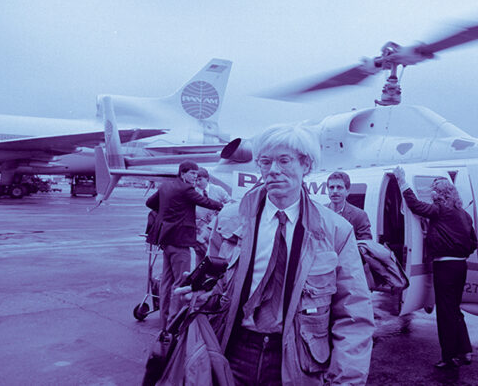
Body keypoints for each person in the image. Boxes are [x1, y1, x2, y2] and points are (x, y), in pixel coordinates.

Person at [207, 124, 374, 385]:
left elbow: (353, 315)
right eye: (265, 162)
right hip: (233, 351)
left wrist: (346, 381)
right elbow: (210, 287)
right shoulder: (230, 220)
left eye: (284, 160)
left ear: (306, 165)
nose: (273, 170)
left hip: (299, 361)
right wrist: (196, 296)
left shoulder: (336, 231)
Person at [393, 166, 477, 370]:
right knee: (454, 309)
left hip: (445, 267)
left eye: (435, 190)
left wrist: (402, 181)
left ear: (440, 195)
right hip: (460, 266)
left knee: (446, 313)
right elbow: (473, 243)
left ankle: (448, 356)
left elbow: (415, 206)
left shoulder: (440, 210)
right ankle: (465, 350)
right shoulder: (464, 215)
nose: (432, 192)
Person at [145, 160, 225, 333]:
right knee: (181, 282)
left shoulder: (166, 186)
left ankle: (164, 321)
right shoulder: (186, 189)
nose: (195, 177)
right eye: (192, 174)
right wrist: (224, 206)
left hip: (166, 240)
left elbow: (150, 203)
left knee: (166, 282)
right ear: (182, 173)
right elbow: (205, 202)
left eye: (197, 174)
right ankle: (175, 324)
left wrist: (169, 212)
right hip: (180, 241)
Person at [194, 168, 230, 260]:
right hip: (200, 230)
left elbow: (229, 204)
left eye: (200, 179)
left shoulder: (218, 190)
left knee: (215, 255)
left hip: (216, 229)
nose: (198, 183)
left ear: (207, 179)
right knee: (200, 256)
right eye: (196, 180)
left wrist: (219, 213)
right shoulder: (193, 192)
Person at [325, 171, 372, 241]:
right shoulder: (320, 212)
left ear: (347, 191)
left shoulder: (360, 216)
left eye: (339, 187)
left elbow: (366, 243)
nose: (335, 191)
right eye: (331, 187)